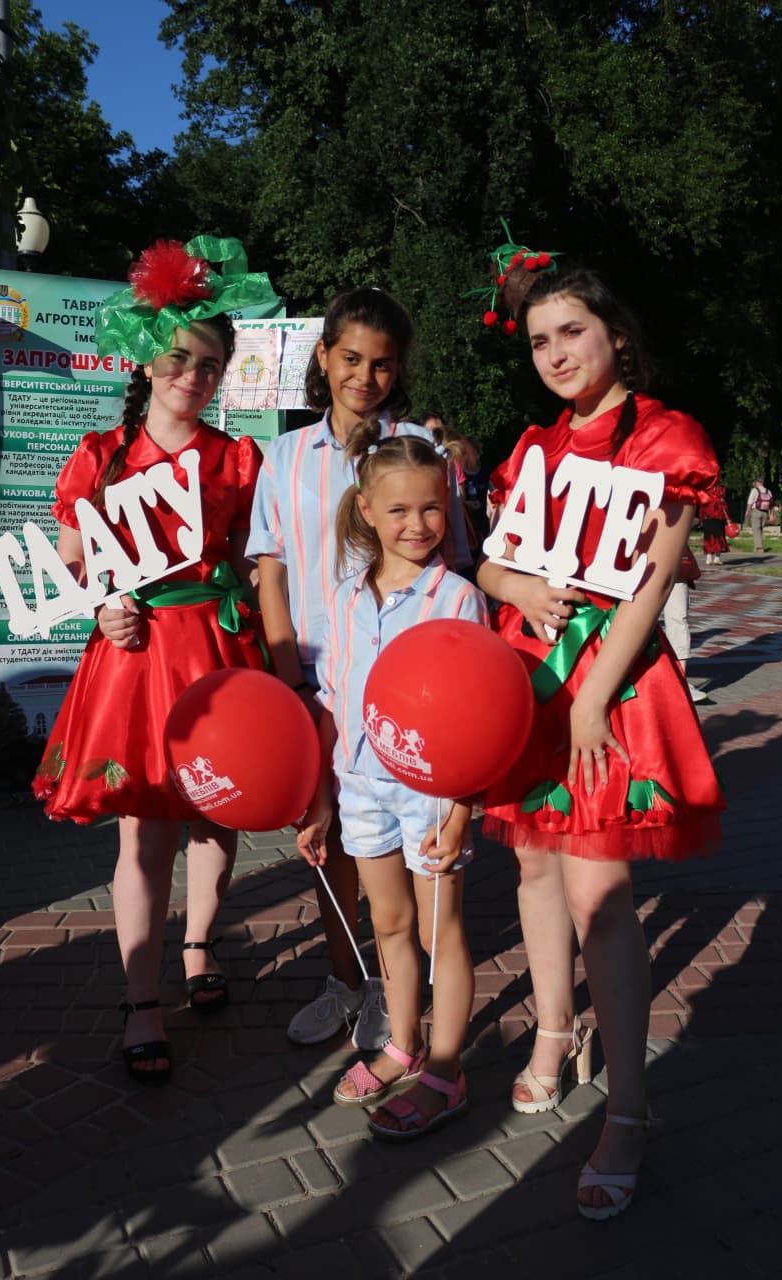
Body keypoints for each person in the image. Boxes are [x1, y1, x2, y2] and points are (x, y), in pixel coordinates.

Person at [475, 246, 724, 1219]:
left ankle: (628, 1107)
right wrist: (517, 585)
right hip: (532, 687)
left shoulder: (666, 437)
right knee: (534, 867)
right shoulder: (531, 450)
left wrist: (589, 697)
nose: (554, 352)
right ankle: (551, 1031)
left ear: (615, 332)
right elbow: (490, 562)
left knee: (602, 894)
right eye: (538, 339)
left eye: (570, 330)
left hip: (608, 692)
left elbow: (655, 579)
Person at [32, 237, 276, 1084]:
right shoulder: (100, 456)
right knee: (144, 828)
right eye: (178, 359)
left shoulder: (237, 458)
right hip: (133, 657)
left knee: (215, 809)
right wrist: (102, 600)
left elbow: (251, 560)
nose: (193, 377)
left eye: (209, 365)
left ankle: (201, 946)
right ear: (146, 361)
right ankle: (141, 1000)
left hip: (213, 646)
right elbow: (68, 559)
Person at [247, 286, 468, 1050]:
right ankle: (349, 981)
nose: (364, 377)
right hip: (316, 675)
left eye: (380, 364)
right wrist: (291, 680)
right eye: (349, 359)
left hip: (406, 685)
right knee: (327, 836)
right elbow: (269, 570)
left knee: (402, 845)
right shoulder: (283, 455)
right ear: (323, 357)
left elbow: (454, 560)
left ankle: (407, 994)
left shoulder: (415, 449)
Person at [296, 423, 489, 1139]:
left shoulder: (458, 600)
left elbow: (481, 717)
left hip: (434, 792)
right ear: (366, 509)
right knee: (388, 924)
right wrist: (319, 800)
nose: (417, 524)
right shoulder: (343, 601)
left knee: (442, 932)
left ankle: (446, 1067)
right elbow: (330, 702)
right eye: (400, 509)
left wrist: (463, 808)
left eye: (432, 508)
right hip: (360, 787)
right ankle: (402, 1043)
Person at [662, 547, 708, 704]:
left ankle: (680, 681)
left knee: (678, 621)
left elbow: (692, 521)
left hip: (675, 567)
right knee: (640, 624)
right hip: (640, 564)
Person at [698, 482, 729, 565]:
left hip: (707, 517)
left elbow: (702, 505)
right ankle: (717, 558)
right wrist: (728, 518)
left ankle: (708, 558)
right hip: (719, 517)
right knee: (719, 537)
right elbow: (724, 506)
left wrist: (701, 517)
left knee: (708, 537)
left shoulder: (705, 491)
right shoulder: (721, 491)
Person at [744, 478, 773, 554]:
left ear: (757, 482)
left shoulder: (754, 490)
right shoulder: (768, 491)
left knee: (755, 529)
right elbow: (771, 504)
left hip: (756, 511)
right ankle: (759, 545)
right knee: (760, 530)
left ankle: (759, 548)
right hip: (765, 512)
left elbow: (750, 501)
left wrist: (747, 511)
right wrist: (771, 514)